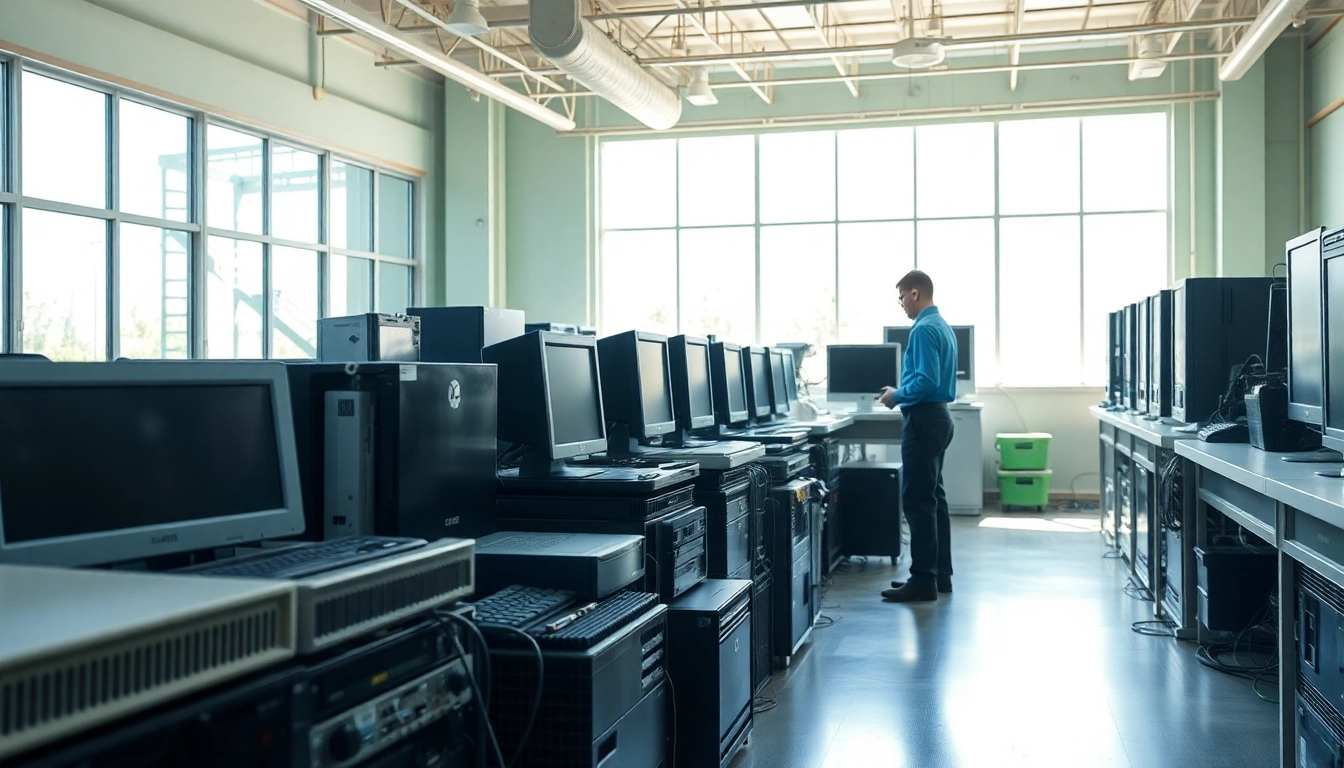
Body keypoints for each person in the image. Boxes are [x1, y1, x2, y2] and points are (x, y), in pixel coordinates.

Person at [877, 270, 958, 603]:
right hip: (938, 418)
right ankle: (939, 575)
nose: (901, 305)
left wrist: (896, 394)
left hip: (924, 419)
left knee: (918, 502)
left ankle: (923, 581)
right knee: (934, 500)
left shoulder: (924, 328)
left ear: (914, 293)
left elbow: (925, 381)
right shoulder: (942, 326)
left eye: (901, 298)